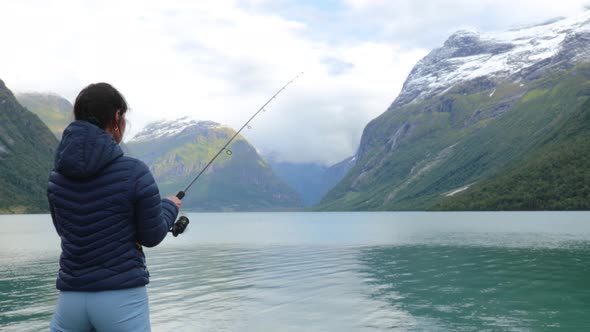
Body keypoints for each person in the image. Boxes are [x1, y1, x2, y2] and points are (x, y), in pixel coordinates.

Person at [47, 82, 181, 331]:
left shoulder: (57, 177)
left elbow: (66, 230)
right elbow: (151, 235)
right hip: (121, 298)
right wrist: (169, 207)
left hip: (71, 298)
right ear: (116, 117)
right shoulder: (134, 171)